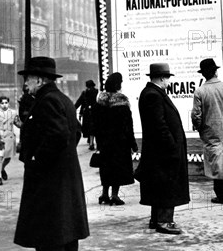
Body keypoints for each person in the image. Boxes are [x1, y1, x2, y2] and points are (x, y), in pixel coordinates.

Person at [14, 56, 89, 251]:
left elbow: (58, 135)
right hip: (65, 177)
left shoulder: (46, 101)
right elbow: (75, 133)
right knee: (65, 230)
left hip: (48, 182)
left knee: (44, 234)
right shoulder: (63, 99)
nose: (25, 84)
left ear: (39, 79)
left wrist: (37, 159)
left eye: (27, 79)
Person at [135, 63, 190, 235]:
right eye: (167, 78)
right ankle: (164, 221)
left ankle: (156, 219)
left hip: (160, 151)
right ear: (161, 78)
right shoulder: (153, 95)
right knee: (167, 185)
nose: (168, 81)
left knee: (160, 185)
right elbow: (159, 125)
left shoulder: (152, 93)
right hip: (164, 152)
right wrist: (172, 147)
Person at [191, 58, 223, 204]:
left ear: (203, 74)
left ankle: (222, 195)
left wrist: (200, 127)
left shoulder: (200, 91)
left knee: (217, 163)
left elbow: (196, 115)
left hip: (211, 131)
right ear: (215, 71)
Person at [94, 72, 138, 205]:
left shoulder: (100, 102)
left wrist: (99, 141)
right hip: (120, 142)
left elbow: (96, 124)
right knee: (118, 168)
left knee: (106, 167)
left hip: (105, 142)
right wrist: (133, 144)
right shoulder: (122, 103)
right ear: (118, 85)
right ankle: (115, 195)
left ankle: (104, 194)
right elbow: (128, 126)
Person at [0, 96, 20, 185]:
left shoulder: (13, 112)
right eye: (2, 103)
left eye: (6, 103)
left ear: (8, 103)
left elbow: (17, 123)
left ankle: (2, 169)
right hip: (0, 138)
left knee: (8, 158)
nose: (4, 105)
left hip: (10, 137)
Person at [75, 80, 99, 150]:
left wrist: (74, 108)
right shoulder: (96, 92)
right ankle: (91, 142)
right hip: (94, 113)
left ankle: (91, 143)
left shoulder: (85, 93)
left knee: (90, 128)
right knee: (92, 128)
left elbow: (79, 102)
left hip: (88, 113)